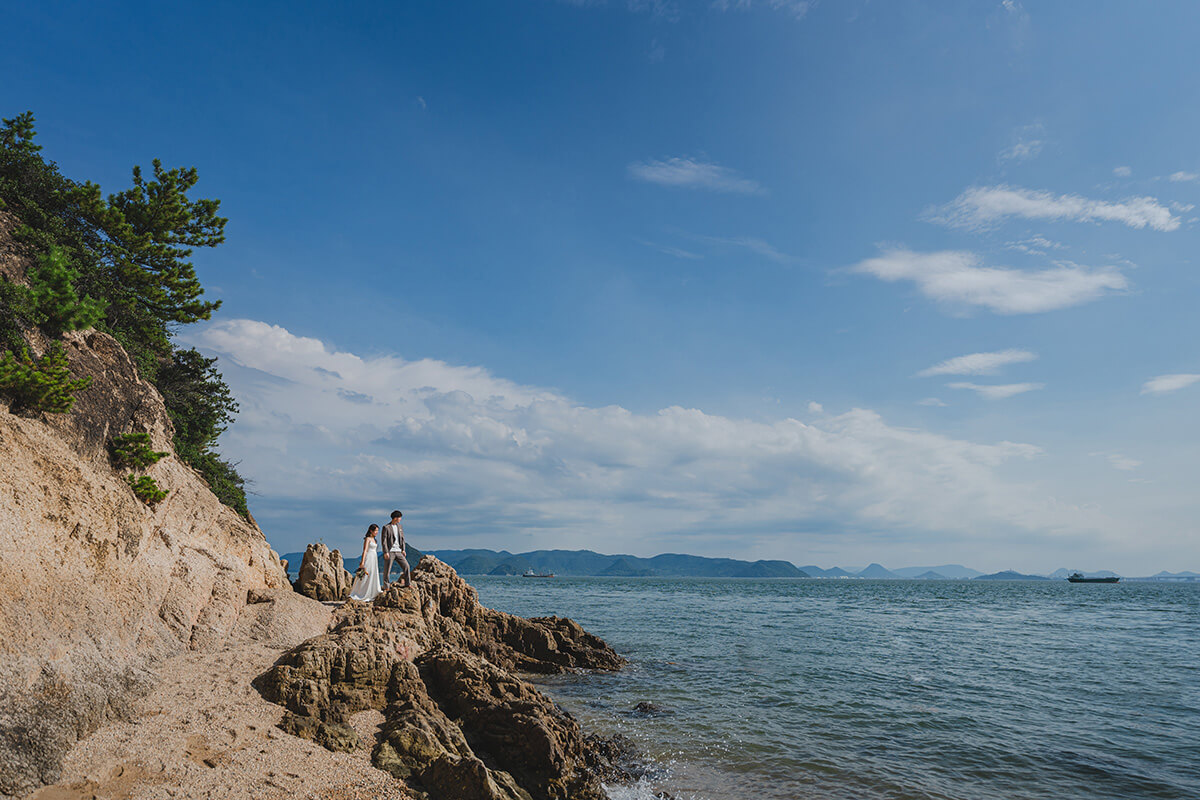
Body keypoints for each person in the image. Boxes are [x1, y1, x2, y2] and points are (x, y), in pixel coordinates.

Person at [348, 524, 383, 601]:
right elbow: (365, 550)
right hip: (369, 557)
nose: (377, 532)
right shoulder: (368, 539)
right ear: (371, 530)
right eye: (376, 530)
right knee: (365, 575)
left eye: (377, 530)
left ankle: (372, 592)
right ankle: (361, 592)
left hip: (374, 558)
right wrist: (362, 562)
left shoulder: (375, 540)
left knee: (373, 574)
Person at [381, 510, 411, 588]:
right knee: (387, 570)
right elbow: (383, 541)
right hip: (390, 551)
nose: (400, 519)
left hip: (399, 551)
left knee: (406, 566)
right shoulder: (386, 527)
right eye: (399, 517)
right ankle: (386, 587)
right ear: (395, 518)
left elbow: (402, 539)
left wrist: (403, 549)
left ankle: (408, 584)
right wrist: (385, 552)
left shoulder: (400, 526)